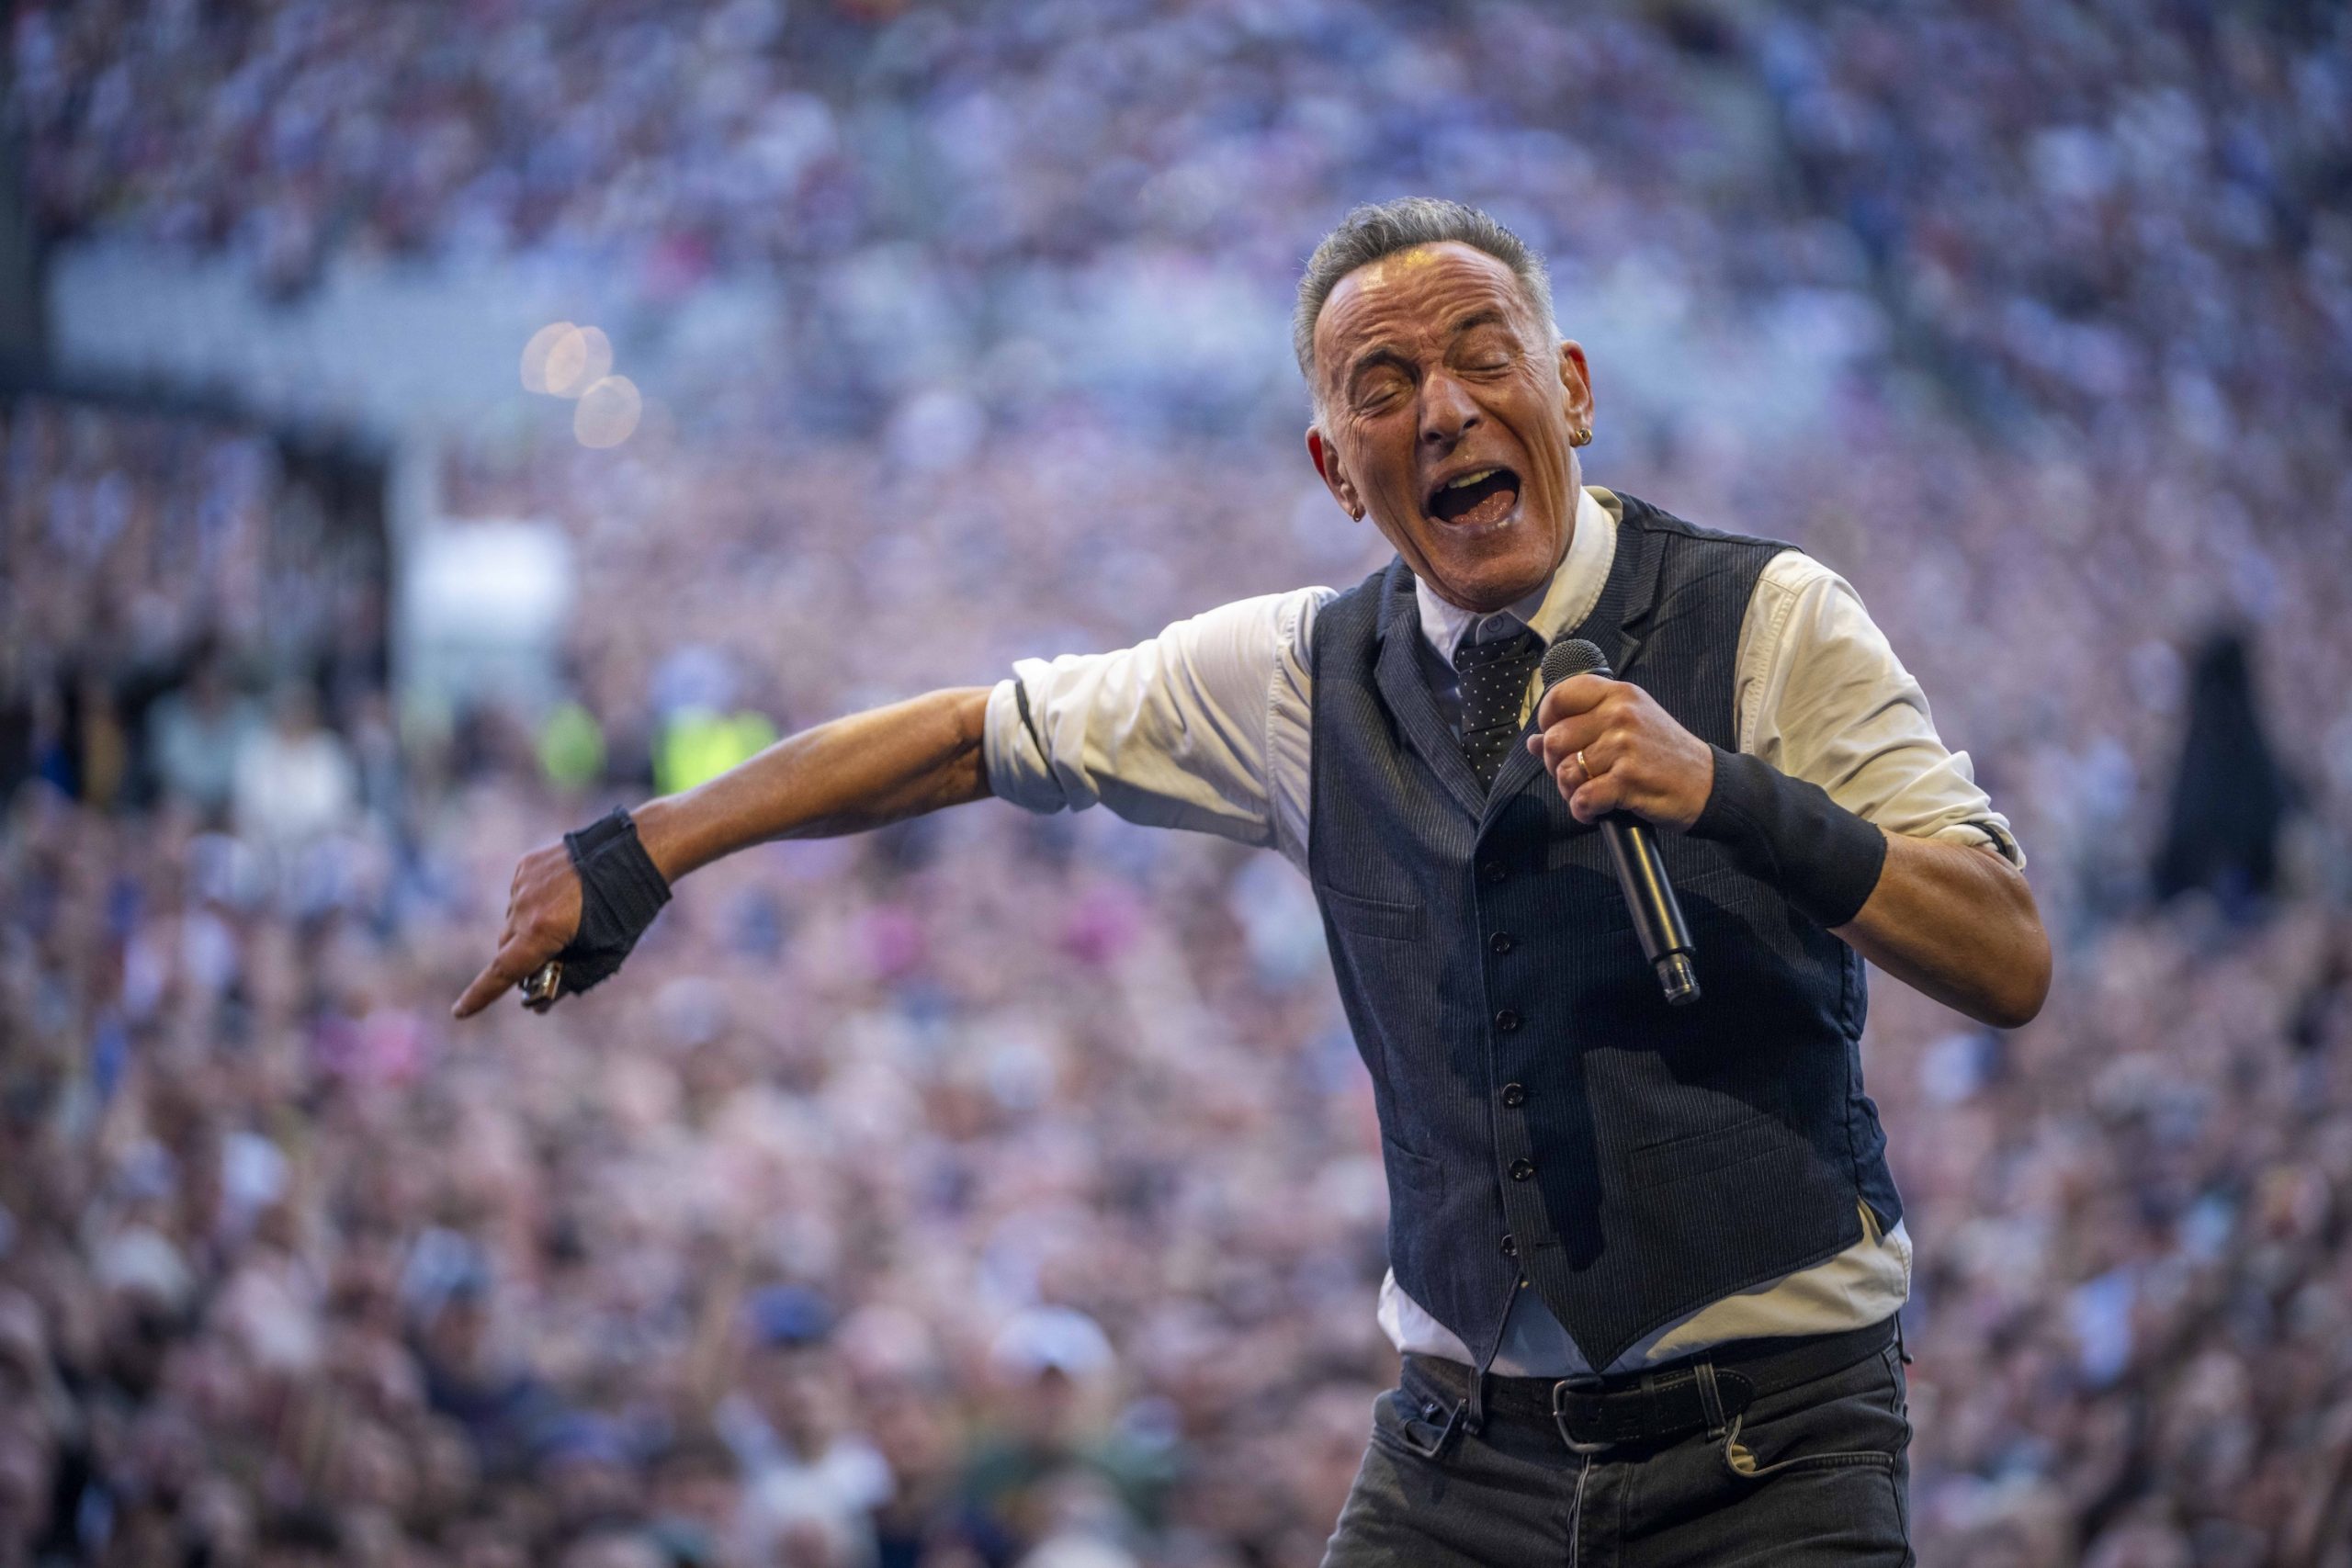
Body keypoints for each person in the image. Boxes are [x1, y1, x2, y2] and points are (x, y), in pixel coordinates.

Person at [454, 197, 2051, 1563]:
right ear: (1335, 468)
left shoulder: (1772, 619)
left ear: (1570, 389)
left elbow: (2003, 956)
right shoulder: (1295, 676)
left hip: (1771, 1443)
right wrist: (644, 847)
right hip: (1460, 1450)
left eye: (1484, 355)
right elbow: (965, 737)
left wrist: (1726, 791)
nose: (1443, 407)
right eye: (1385, 384)